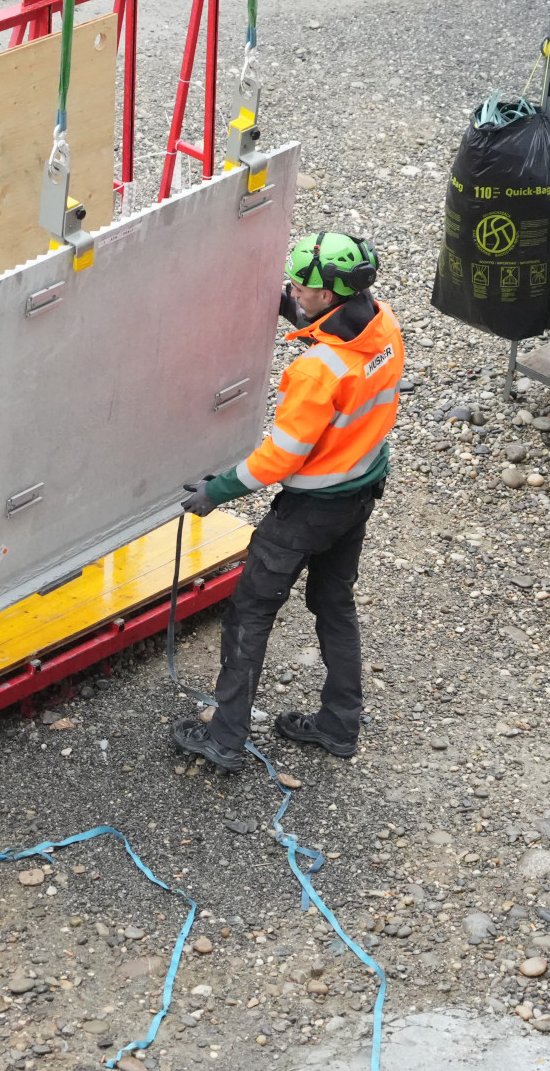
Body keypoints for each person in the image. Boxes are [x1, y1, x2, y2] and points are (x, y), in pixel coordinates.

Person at [169, 232, 405, 770]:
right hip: (361, 491)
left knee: (250, 612)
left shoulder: (316, 371)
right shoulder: (381, 324)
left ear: (328, 295)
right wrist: (283, 307)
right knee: (334, 604)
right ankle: (339, 726)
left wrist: (218, 490)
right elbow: (339, 355)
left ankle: (225, 740)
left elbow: (281, 458)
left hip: (310, 512)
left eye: (302, 285)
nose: (294, 288)